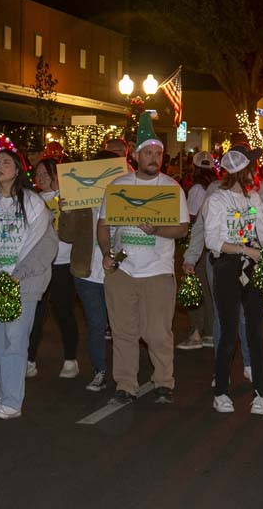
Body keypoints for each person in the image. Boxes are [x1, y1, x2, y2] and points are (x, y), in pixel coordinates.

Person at [96, 114, 189, 405]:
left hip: (157, 270)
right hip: (123, 269)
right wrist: (106, 254)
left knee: (157, 331)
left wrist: (158, 229)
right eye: (148, 152)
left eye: (158, 153)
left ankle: (164, 380)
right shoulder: (118, 186)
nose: (154, 158)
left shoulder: (172, 188)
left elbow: (182, 228)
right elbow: (103, 225)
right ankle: (126, 383)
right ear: (136, 155)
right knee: (123, 330)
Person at [0, 141, 56, 418]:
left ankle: (13, 401)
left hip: (22, 284)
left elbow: (46, 246)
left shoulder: (34, 204)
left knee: (16, 341)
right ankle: (4, 392)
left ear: (18, 170)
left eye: (6, 163)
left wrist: (18, 275)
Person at [202, 147, 263, 415]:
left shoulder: (254, 197)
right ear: (243, 170)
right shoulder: (217, 200)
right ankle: (220, 391)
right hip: (227, 267)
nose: (257, 170)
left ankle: (260, 394)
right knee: (229, 332)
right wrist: (245, 249)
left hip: (253, 267)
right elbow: (213, 241)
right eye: (253, 166)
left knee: (255, 332)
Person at [58, 150, 116, 392]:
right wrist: (67, 212)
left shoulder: (122, 198)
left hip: (119, 271)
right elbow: (66, 236)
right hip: (87, 272)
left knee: (124, 325)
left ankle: (127, 373)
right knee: (95, 323)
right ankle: (100, 370)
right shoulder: (82, 202)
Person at [28, 156, 80, 380]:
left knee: (64, 311)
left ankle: (71, 359)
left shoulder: (67, 198)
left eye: (45, 174)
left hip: (62, 262)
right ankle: (29, 359)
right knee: (35, 313)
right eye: (37, 174)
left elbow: (77, 230)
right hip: (40, 264)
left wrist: (66, 210)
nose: (40, 178)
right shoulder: (32, 199)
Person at [178, 151, 217, 351]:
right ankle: (210, 331)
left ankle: (196, 332)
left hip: (197, 242)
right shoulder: (215, 187)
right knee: (208, 290)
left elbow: (193, 217)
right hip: (210, 243)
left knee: (195, 288)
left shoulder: (196, 189)